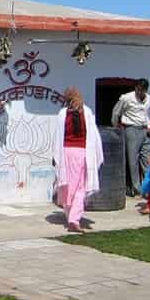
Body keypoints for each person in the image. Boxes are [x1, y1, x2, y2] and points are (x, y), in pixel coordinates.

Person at [52, 87, 104, 233]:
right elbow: (94, 136)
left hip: (66, 153)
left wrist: (56, 156)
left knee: (68, 185)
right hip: (82, 153)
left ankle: (71, 217)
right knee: (80, 187)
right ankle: (74, 219)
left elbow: (57, 137)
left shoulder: (63, 113)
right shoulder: (86, 112)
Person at [112, 79, 150, 197]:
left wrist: (149, 126)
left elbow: (145, 114)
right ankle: (136, 187)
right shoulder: (126, 98)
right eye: (138, 89)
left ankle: (147, 187)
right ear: (135, 88)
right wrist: (116, 127)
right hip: (131, 129)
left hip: (145, 129)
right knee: (132, 160)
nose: (140, 92)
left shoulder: (148, 99)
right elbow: (116, 112)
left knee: (146, 159)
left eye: (142, 90)